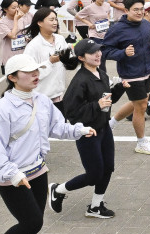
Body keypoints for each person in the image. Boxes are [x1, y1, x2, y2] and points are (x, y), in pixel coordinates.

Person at [0, 54, 94, 234]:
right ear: (12, 77)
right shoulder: (2, 110)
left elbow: (56, 127)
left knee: (33, 223)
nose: (35, 75)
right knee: (32, 221)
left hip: (38, 170)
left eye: (37, 70)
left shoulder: (41, 100)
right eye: (28, 72)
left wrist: (79, 130)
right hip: (11, 175)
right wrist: (13, 175)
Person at [49, 39, 118, 219]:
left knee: (108, 168)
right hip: (87, 132)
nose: (98, 54)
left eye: (99, 50)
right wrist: (97, 105)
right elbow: (72, 113)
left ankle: (95, 206)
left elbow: (108, 101)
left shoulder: (101, 73)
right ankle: (58, 190)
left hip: (103, 128)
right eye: (92, 52)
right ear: (81, 57)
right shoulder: (79, 81)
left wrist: (119, 89)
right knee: (94, 175)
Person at [99, 0, 150, 155]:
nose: (140, 12)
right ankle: (141, 142)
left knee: (139, 103)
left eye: (142, 9)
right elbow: (105, 51)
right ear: (126, 10)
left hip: (147, 71)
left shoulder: (146, 25)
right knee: (141, 106)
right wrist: (122, 53)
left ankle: (110, 123)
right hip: (130, 74)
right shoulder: (117, 29)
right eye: (136, 9)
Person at [23, 9, 70, 106]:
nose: (55, 23)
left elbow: (68, 61)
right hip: (41, 98)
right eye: (51, 20)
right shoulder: (33, 46)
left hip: (59, 95)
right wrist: (50, 62)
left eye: (56, 20)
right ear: (40, 23)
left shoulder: (60, 39)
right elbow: (28, 73)